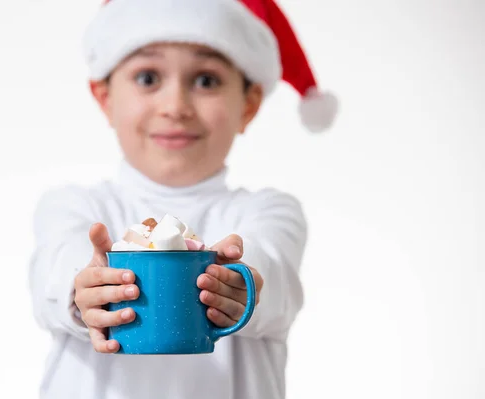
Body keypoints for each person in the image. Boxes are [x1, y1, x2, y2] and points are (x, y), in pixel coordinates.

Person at [28, 0, 337, 398]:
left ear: (249, 104)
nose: (175, 107)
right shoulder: (73, 207)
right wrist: (82, 290)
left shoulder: (270, 211)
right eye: (147, 77)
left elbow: (273, 272)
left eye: (206, 80)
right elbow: (54, 274)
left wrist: (244, 286)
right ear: (105, 98)